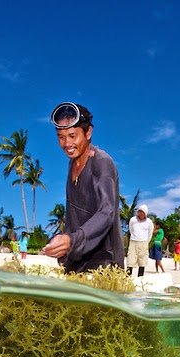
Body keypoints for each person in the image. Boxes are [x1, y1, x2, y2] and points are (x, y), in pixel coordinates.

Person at [42, 102, 125, 272]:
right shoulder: (72, 164)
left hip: (105, 265)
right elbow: (72, 214)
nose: (67, 143)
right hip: (78, 261)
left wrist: (73, 241)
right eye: (61, 137)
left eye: (72, 136)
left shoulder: (102, 163)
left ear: (88, 132)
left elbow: (107, 212)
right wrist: (65, 244)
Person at [127, 203, 153, 277]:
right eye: (140, 211)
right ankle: (128, 278)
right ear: (137, 212)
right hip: (133, 242)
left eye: (143, 212)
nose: (141, 213)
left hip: (143, 243)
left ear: (146, 213)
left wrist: (146, 242)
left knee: (142, 261)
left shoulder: (149, 222)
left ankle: (140, 278)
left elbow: (150, 233)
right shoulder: (133, 220)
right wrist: (135, 237)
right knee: (130, 260)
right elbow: (131, 229)